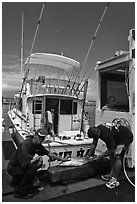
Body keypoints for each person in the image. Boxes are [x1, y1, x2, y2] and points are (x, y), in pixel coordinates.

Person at [7, 128, 69, 199]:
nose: (41, 139)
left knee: (35, 166)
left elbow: (49, 153)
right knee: (32, 168)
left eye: (43, 138)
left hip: (21, 165)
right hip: (14, 168)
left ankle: (22, 184)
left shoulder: (37, 145)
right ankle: (20, 193)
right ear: (35, 135)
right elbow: (25, 164)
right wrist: (37, 160)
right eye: (40, 137)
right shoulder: (26, 145)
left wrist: (62, 159)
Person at [87, 123, 133, 189]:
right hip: (118, 136)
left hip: (126, 136)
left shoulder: (106, 135)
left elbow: (111, 150)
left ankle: (115, 180)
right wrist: (89, 155)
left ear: (98, 133)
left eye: (95, 137)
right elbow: (94, 144)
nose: (95, 139)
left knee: (117, 155)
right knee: (112, 155)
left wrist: (100, 156)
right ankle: (111, 174)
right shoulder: (97, 129)